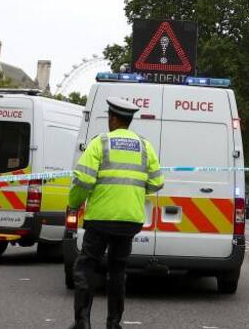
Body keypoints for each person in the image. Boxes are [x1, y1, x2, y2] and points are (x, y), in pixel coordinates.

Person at [67, 97, 164, 329]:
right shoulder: (145, 146)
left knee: (86, 268)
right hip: (128, 221)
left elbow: (83, 180)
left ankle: (82, 322)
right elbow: (157, 183)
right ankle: (113, 323)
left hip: (100, 219)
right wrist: (136, 190)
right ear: (129, 121)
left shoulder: (100, 143)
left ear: (112, 118)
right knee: (118, 270)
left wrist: (74, 203)